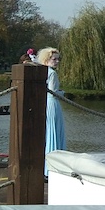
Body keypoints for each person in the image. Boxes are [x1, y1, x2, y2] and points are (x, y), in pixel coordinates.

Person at [36, 47, 66, 176]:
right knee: (54, 132)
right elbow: (54, 93)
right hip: (52, 104)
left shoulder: (41, 72)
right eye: (54, 59)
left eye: (58, 59)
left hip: (44, 103)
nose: (57, 62)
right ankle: (53, 168)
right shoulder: (52, 73)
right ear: (46, 59)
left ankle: (46, 167)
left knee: (48, 133)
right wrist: (62, 93)